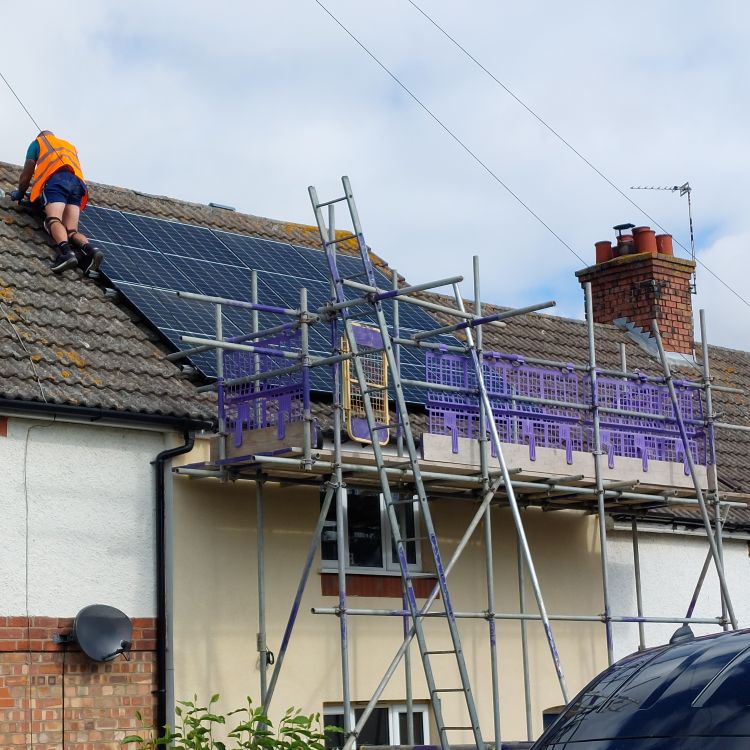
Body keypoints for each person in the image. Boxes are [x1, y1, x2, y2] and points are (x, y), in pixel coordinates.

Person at [10, 131, 104, 276]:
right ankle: (92, 251)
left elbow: (28, 171)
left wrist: (21, 191)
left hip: (57, 182)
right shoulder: (69, 146)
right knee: (72, 230)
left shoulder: (37, 143)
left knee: (53, 219)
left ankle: (67, 253)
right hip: (77, 185)